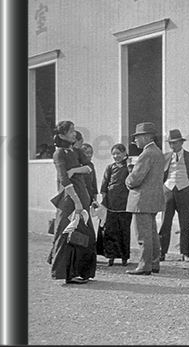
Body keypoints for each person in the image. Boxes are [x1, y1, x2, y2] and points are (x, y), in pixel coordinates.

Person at [48, 120, 97, 284]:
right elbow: (64, 180)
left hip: (82, 196)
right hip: (70, 198)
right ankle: (68, 273)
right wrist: (76, 202)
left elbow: (90, 166)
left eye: (74, 130)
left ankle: (82, 271)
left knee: (85, 233)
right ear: (61, 135)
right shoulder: (59, 153)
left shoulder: (76, 152)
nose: (74, 134)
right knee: (66, 234)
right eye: (71, 131)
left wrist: (75, 169)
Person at [159, 129, 189, 262]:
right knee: (165, 223)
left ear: (181, 142)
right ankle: (162, 252)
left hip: (185, 192)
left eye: (175, 143)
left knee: (184, 224)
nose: (172, 146)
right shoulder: (165, 157)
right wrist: (162, 188)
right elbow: (158, 174)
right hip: (168, 191)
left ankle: (185, 253)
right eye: (170, 143)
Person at [125, 122, 165, 275]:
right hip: (154, 198)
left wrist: (127, 179)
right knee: (152, 233)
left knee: (143, 234)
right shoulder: (158, 152)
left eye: (138, 137)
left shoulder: (146, 154)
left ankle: (144, 265)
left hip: (141, 199)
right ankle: (154, 263)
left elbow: (135, 179)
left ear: (147, 137)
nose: (135, 140)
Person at [98, 143, 132, 266]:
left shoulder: (129, 166)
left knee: (124, 231)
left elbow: (133, 180)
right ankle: (110, 257)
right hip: (111, 203)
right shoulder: (110, 167)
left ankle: (124, 258)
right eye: (113, 154)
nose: (115, 156)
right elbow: (104, 184)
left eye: (118, 153)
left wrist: (129, 167)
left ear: (124, 153)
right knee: (110, 231)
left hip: (125, 204)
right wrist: (104, 200)